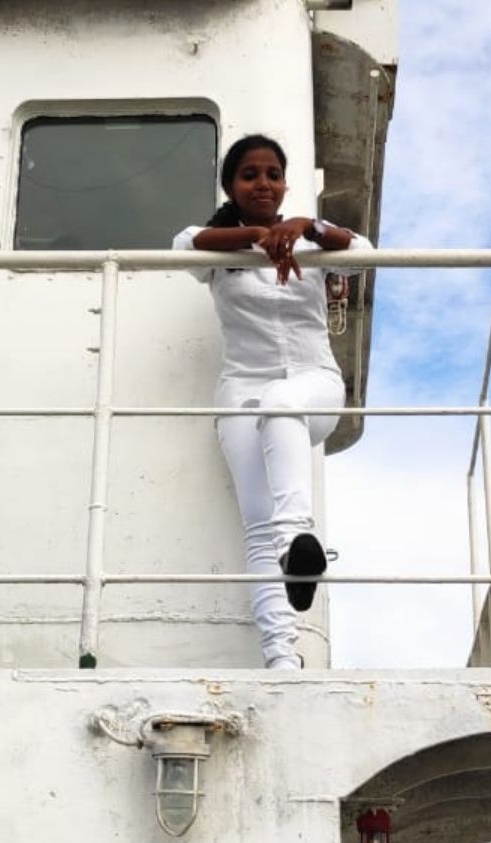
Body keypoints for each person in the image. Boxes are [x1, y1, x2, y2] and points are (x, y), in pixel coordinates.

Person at [173, 134, 371, 670]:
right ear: (232, 187)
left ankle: (296, 540)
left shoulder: (311, 244)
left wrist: (306, 226)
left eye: (273, 174)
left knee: (282, 400)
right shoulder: (219, 248)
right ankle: (281, 656)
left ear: (285, 184)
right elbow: (183, 245)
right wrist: (257, 236)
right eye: (250, 175)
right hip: (241, 389)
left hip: (314, 385)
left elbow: (366, 254)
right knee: (257, 524)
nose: (263, 183)